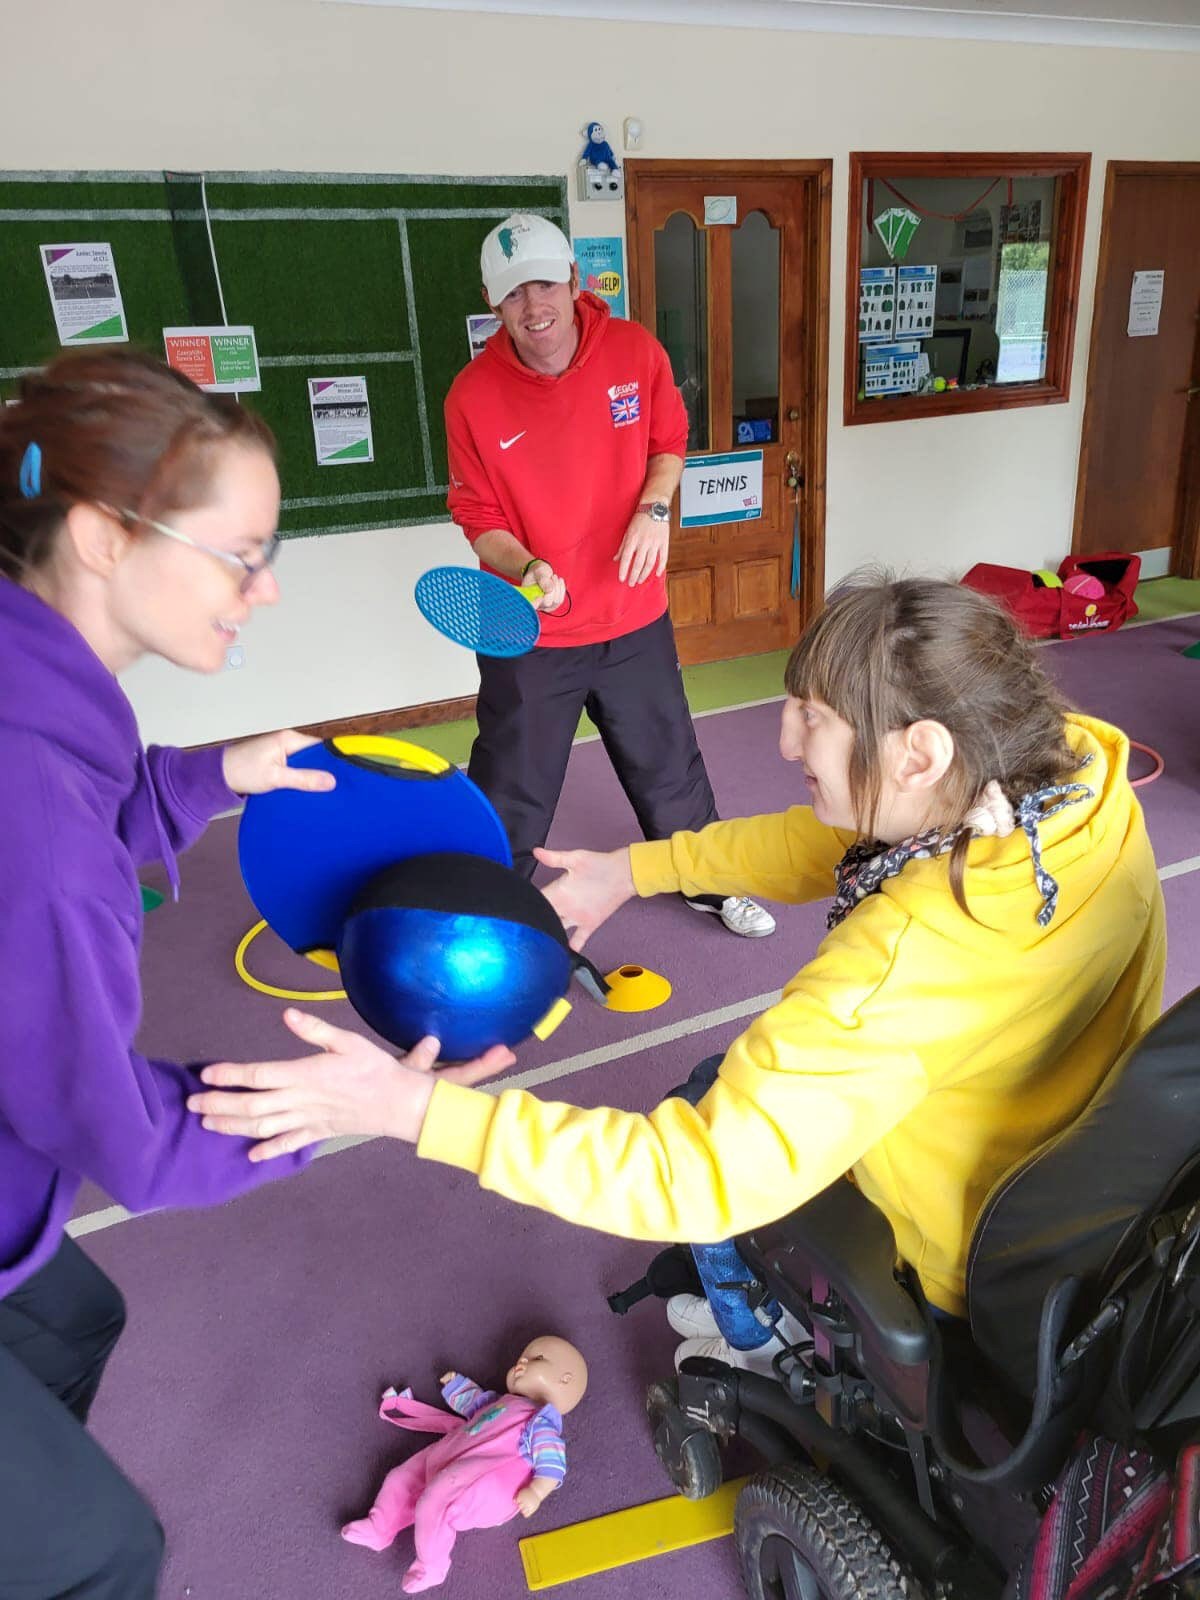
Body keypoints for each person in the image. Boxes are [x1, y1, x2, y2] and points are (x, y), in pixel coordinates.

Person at [189, 577, 1166, 1374]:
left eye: (812, 718)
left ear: (919, 753)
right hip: (1082, 1167)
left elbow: (696, 1178)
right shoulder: (1074, 773)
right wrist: (634, 868)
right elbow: (833, 837)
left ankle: (760, 1339)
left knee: (706, 1096)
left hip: (962, 1239)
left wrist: (415, 1111)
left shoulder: (902, 964)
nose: (784, 743)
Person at [0, 348, 508, 1600]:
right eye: (243, 553)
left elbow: (75, 819)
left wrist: (204, 778)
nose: (265, 590)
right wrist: (343, 1103)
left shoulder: (43, 691)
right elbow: (121, 1133)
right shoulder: (39, 829)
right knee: (105, 1555)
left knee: (73, 1319)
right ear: (103, 537)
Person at [443, 211, 775, 940]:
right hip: (529, 624)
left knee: (669, 765)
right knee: (510, 783)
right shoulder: (471, 395)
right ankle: (500, 907)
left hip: (633, 617)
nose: (532, 307)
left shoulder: (634, 352)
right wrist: (528, 566)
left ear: (572, 280)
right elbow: (478, 514)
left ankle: (706, 883)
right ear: (492, 304)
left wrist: (653, 510)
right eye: (511, 294)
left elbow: (670, 440)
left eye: (542, 284)